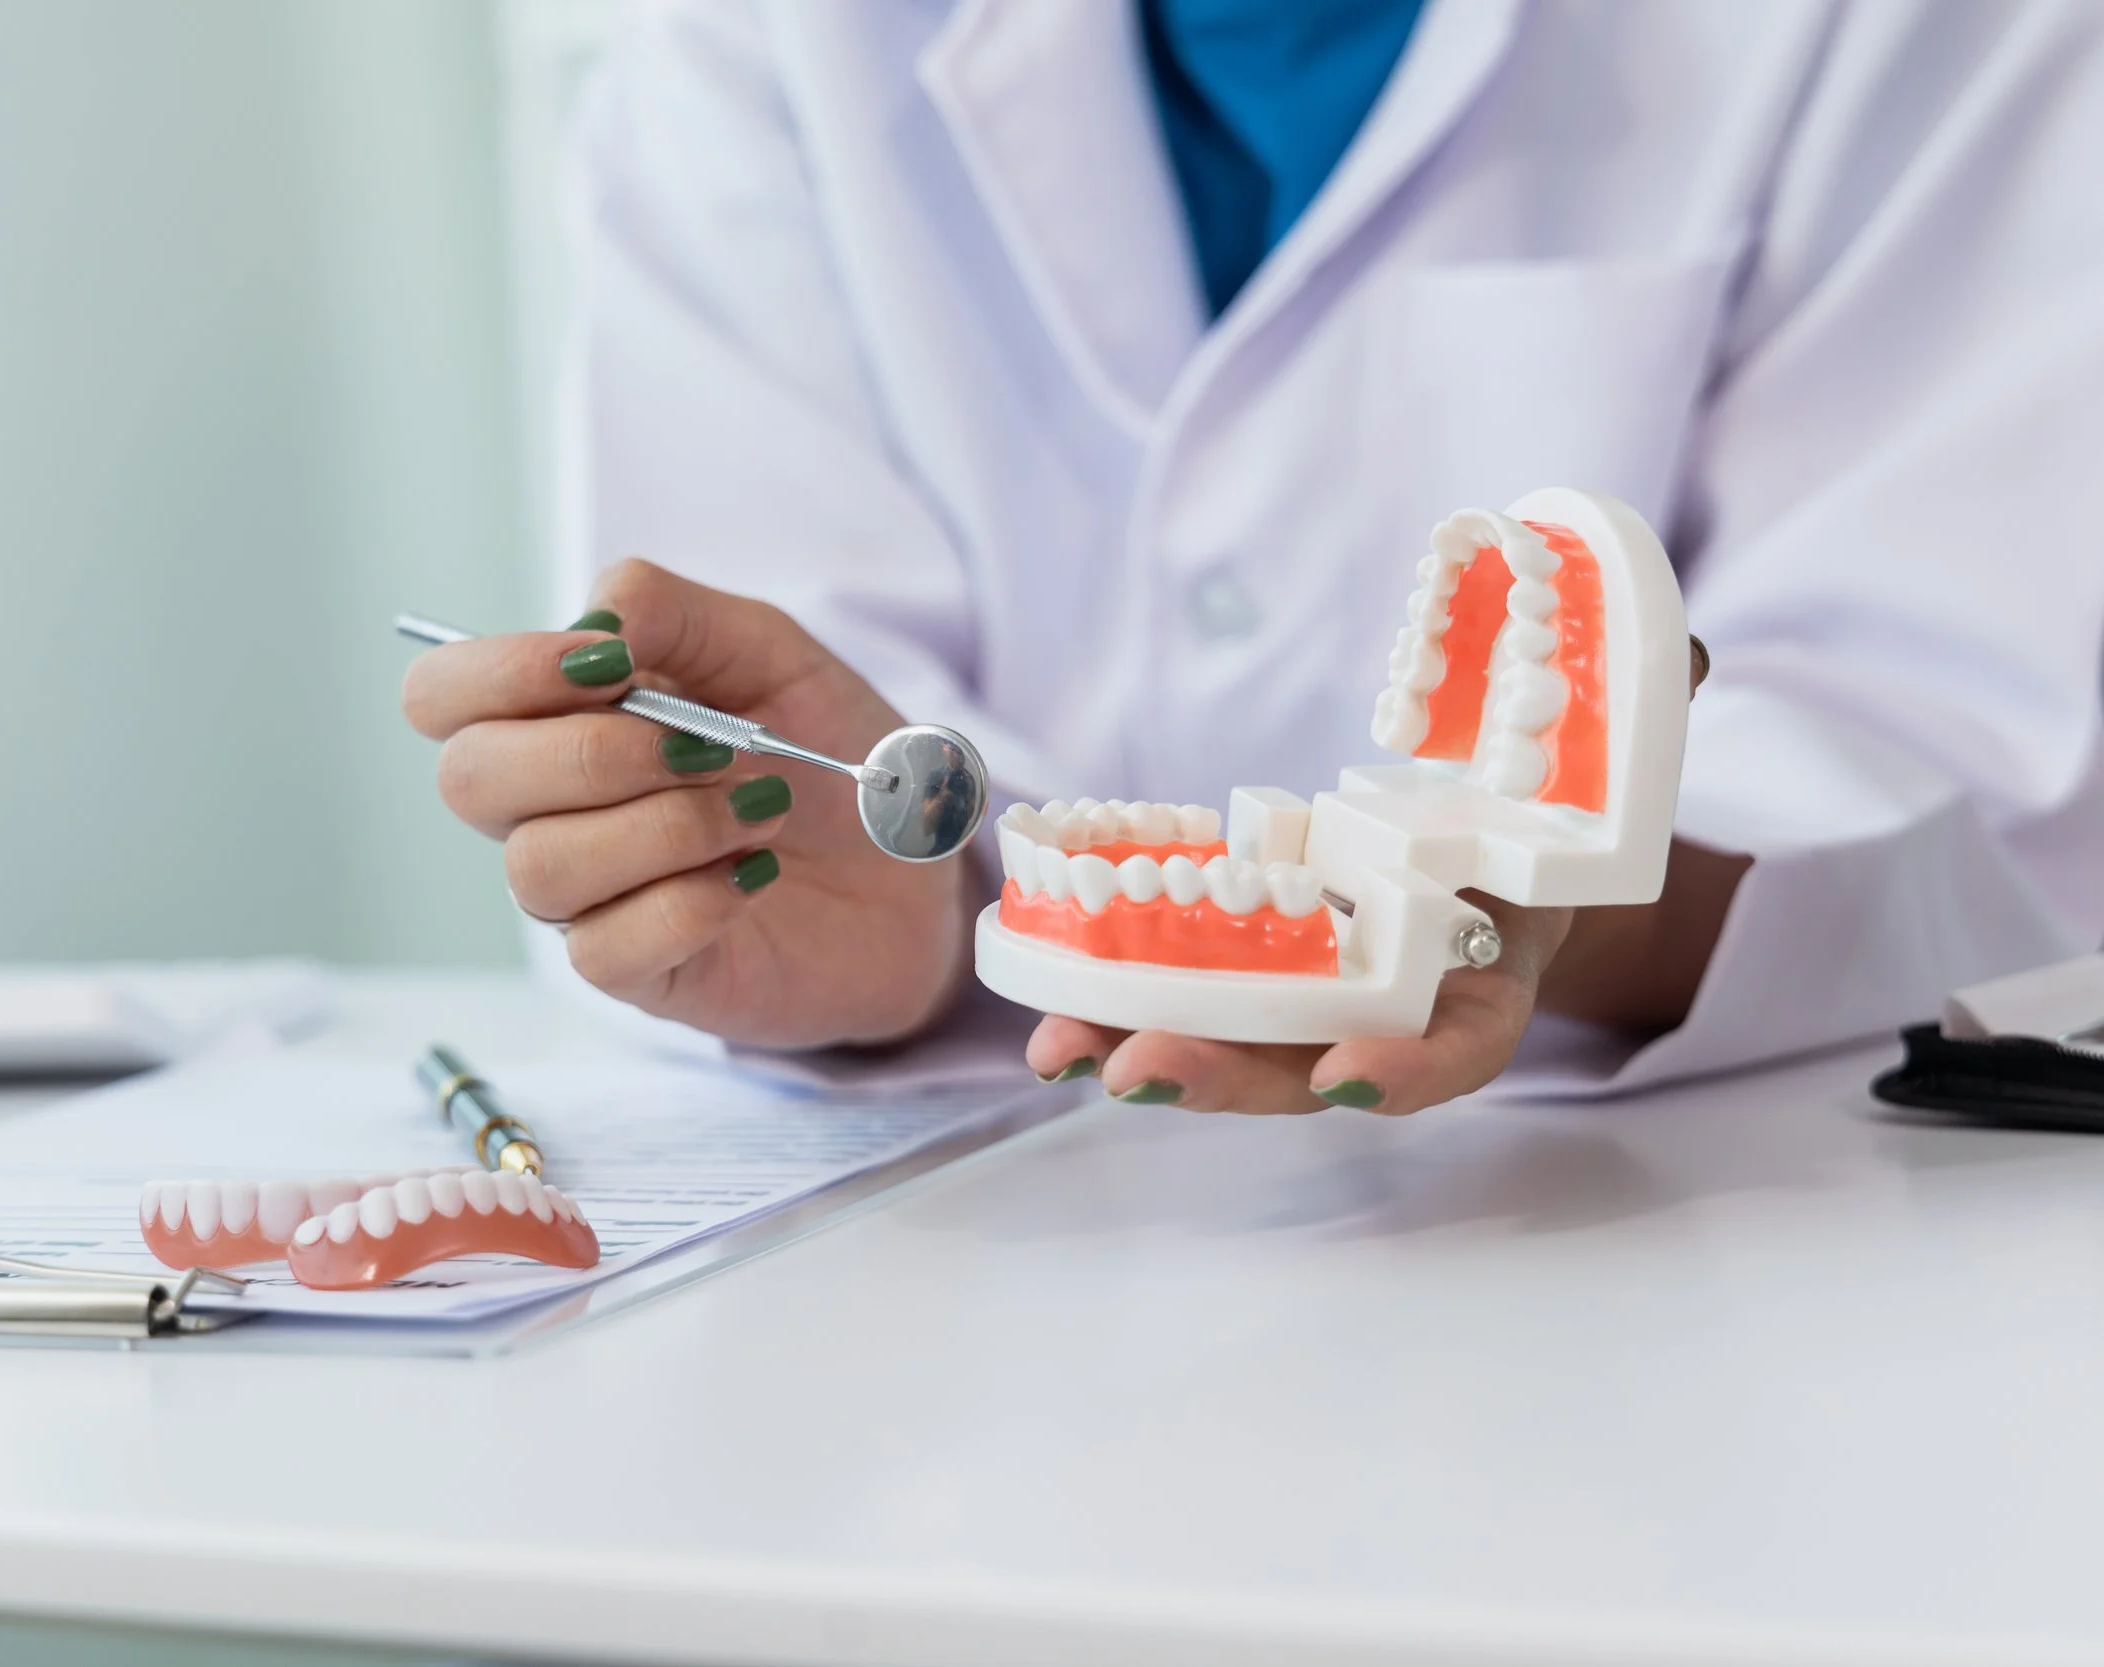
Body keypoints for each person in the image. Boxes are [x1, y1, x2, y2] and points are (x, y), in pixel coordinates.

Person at [405, 0, 2104, 1116]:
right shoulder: (758, 42)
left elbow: (1939, 739)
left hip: (1719, 1251)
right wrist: (884, 906)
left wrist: (1549, 905)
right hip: (957, 1282)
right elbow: (772, 682)